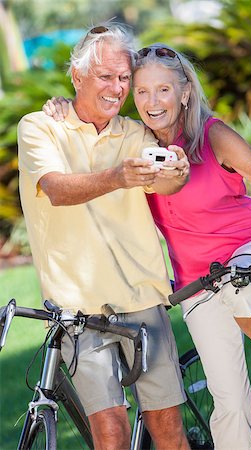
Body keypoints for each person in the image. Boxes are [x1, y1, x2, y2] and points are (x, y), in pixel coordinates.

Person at [44, 41, 251, 450]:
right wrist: (61, 104)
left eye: (163, 89)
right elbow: (88, 125)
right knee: (228, 400)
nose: (152, 100)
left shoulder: (213, 135)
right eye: (142, 91)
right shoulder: (136, 144)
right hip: (197, 281)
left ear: (184, 93)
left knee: (241, 285)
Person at [18, 25, 192, 450]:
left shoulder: (135, 134)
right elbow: (57, 189)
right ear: (77, 77)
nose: (117, 88)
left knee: (168, 429)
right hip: (78, 305)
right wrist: (116, 177)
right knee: (109, 432)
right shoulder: (39, 127)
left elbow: (164, 185)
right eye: (105, 76)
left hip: (142, 297)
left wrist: (177, 174)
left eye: (124, 78)